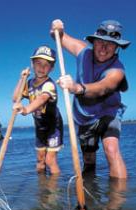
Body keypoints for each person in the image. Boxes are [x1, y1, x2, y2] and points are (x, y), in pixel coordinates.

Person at [51, 19, 130, 180]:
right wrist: (57, 29)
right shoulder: (82, 51)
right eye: (100, 42)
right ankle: (90, 194)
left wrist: (76, 88)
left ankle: (118, 204)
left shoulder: (118, 70)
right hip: (84, 116)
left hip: (109, 112)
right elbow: (59, 36)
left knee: (111, 149)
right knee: (88, 160)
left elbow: (103, 88)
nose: (104, 48)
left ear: (117, 47)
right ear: (94, 41)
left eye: (110, 44)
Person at [13, 45, 64, 175]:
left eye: (46, 65)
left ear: (52, 68)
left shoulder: (49, 85)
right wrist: (22, 79)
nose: (42, 68)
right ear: (32, 64)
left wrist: (25, 109)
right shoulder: (29, 83)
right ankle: (41, 190)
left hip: (53, 127)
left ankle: (53, 191)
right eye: (38, 63)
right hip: (40, 127)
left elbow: (41, 99)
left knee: (50, 160)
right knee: (40, 159)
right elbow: (15, 98)